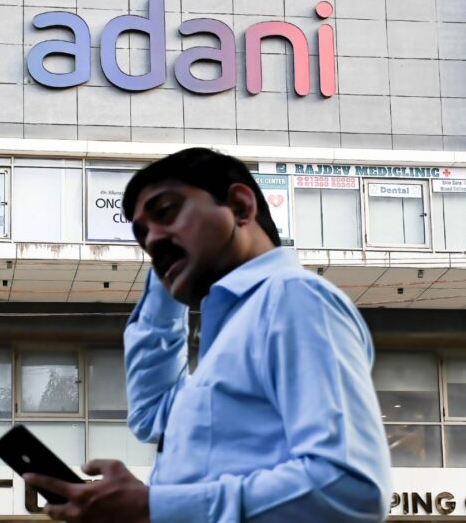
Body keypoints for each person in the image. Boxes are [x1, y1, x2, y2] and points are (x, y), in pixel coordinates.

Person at [24, 148, 392, 522]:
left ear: (240, 206)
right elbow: (150, 415)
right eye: (142, 235)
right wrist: (172, 257)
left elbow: (349, 488)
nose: (151, 241)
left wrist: (152, 506)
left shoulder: (292, 298)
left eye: (166, 211)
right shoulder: (230, 333)